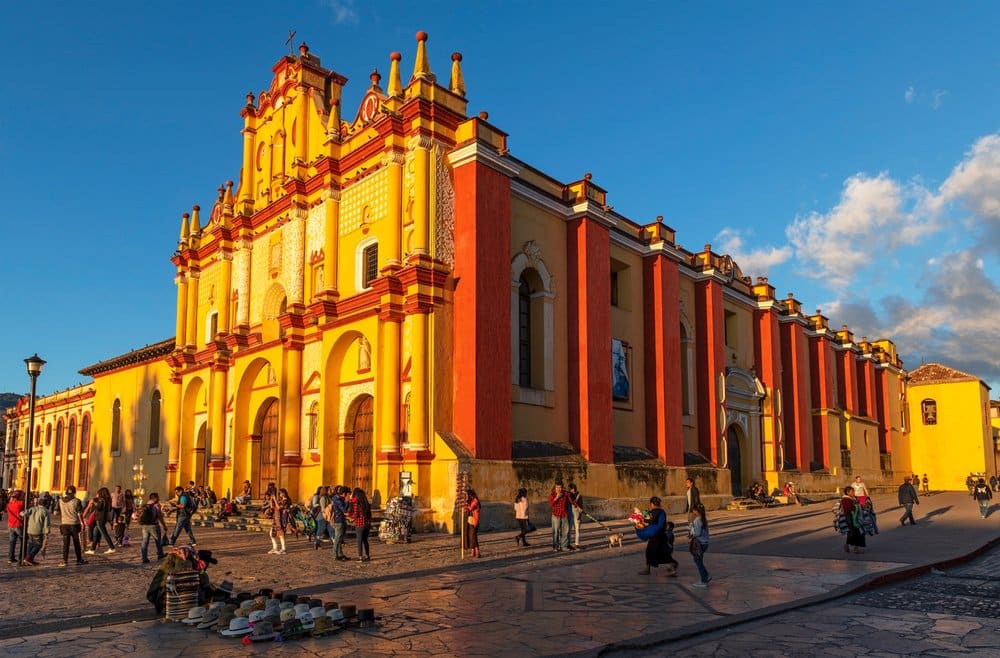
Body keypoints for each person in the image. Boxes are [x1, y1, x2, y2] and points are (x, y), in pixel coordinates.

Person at [635, 496, 678, 576]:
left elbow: (649, 521)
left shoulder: (652, 512)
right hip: (661, 535)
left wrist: (641, 519)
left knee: (650, 552)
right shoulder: (662, 512)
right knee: (661, 553)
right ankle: (672, 567)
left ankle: (649, 569)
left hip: (655, 536)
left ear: (651, 504)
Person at [58, 485, 87, 567]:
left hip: (64, 524)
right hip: (74, 524)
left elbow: (58, 511)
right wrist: (82, 523)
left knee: (65, 544)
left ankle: (64, 560)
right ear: (74, 492)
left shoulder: (60, 501)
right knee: (76, 543)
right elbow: (79, 513)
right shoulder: (77, 501)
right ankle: (79, 559)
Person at [84, 487, 116, 554]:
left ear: (101, 493)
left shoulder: (102, 501)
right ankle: (92, 549)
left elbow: (99, 508)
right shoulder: (106, 500)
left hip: (100, 519)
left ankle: (112, 547)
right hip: (101, 519)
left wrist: (94, 503)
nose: (97, 495)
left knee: (104, 534)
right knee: (95, 533)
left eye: (98, 493)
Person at [138, 492, 168, 564]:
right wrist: (164, 525)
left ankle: (144, 558)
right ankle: (160, 554)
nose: (159, 498)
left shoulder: (146, 504)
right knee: (158, 540)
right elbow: (160, 516)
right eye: (157, 497)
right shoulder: (157, 505)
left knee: (145, 542)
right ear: (154, 498)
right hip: (153, 525)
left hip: (145, 525)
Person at [22, 495, 52, 565]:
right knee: (38, 545)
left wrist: (20, 513)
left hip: (30, 530)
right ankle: (28, 558)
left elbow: (24, 513)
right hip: (38, 531)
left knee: (31, 544)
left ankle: (29, 560)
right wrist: (47, 533)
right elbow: (46, 523)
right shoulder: (46, 511)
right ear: (46, 504)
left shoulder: (33, 509)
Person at [324, 486, 350, 561]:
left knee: (340, 538)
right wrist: (347, 501)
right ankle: (335, 554)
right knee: (337, 539)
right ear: (344, 494)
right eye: (347, 494)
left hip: (340, 520)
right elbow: (344, 510)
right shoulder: (338, 500)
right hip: (339, 521)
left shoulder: (337, 498)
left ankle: (340, 554)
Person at [688, 503, 710, 587]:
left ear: (696, 511)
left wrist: (691, 534)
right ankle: (706, 576)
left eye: (693, 510)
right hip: (705, 543)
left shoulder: (697, 520)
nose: (693, 511)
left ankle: (704, 581)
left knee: (697, 561)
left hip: (699, 544)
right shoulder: (704, 518)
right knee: (699, 560)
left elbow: (697, 533)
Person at [839, 486, 866, 554]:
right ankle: (855, 549)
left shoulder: (853, 498)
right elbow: (848, 509)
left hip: (856, 518)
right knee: (855, 533)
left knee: (852, 533)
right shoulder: (845, 499)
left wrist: (861, 505)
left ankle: (847, 545)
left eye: (853, 491)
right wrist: (857, 506)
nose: (853, 493)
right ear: (848, 492)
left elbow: (859, 504)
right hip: (850, 518)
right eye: (852, 492)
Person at [350, 487, 373, 562]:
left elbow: (356, 514)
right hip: (367, 524)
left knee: (359, 541)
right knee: (365, 540)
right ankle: (367, 555)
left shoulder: (357, 503)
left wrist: (349, 517)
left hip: (359, 524)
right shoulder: (367, 504)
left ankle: (360, 556)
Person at [267, 488, 291, 554]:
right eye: (280, 493)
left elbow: (279, 507)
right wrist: (271, 499)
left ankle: (283, 548)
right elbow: (273, 506)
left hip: (282, 518)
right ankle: (275, 548)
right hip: (276, 518)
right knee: (272, 533)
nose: (281, 494)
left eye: (282, 493)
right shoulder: (280, 500)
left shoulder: (286, 500)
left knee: (281, 534)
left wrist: (274, 500)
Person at [548, 482, 570, 552]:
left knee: (565, 532)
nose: (559, 489)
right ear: (555, 488)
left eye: (560, 487)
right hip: (556, 515)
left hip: (564, 515)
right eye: (557, 487)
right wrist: (557, 497)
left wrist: (578, 507)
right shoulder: (552, 495)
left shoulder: (565, 494)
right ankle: (555, 546)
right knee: (555, 532)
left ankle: (564, 546)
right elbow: (551, 504)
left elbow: (572, 501)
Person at [5, 490, 25, 564]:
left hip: (10, 525)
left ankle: (10, 558)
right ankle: (21, 557)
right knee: (23, 541)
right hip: (18, 524)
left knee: (12, 542)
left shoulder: (8, 505)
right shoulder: (20, 503)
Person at [311, 486, 332, 550]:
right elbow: (323, 509)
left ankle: (336, 542)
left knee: (331, 529)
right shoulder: (323, 498)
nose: (330, 491)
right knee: (320, 530)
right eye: (329, 490)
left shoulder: (328, 497)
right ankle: (316, 543)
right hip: (322, 516)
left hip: (327, 516)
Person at [464, 488, 481, 558]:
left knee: (473, 536)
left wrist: (466, 503)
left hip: (474, 521)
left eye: (467, 495)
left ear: (470, 495)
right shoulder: (470, 501)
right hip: (470, 520)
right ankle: (473, 551)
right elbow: (466, 509)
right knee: (472, 536)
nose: (467, 496)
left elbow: (470, 508)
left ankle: (477, 552)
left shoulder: (475, 501)